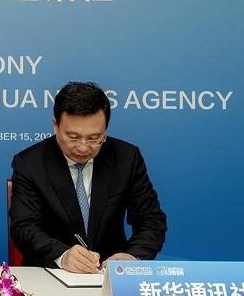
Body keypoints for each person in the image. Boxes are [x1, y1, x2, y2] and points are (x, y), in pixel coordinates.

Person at [9, 81, 166, 273]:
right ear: (55, 125)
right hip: (51, 271)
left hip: (110, 273)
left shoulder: (127, 158)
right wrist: (62, 255)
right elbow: (24, 226)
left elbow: (151, 220)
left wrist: (132, 256)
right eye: (73, 137)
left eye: (94, 138)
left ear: (105, 129)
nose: (83, 147)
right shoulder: (30, 163)